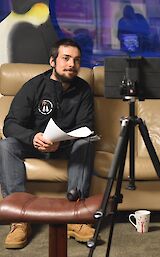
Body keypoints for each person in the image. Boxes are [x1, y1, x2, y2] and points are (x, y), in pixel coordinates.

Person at [0, 38, 95, 249]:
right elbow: (10, 125)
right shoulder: (34, 86)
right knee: (6, 146)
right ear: (53, 61)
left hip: (65, 147)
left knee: (86, 143)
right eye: (66, 58)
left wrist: (59, 143)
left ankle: (76, 216)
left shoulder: (84, 90)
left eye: (77, 60)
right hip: (34, 145)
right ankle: (19, 218)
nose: (72, 64)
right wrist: (33, 137)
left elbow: (86, 126)